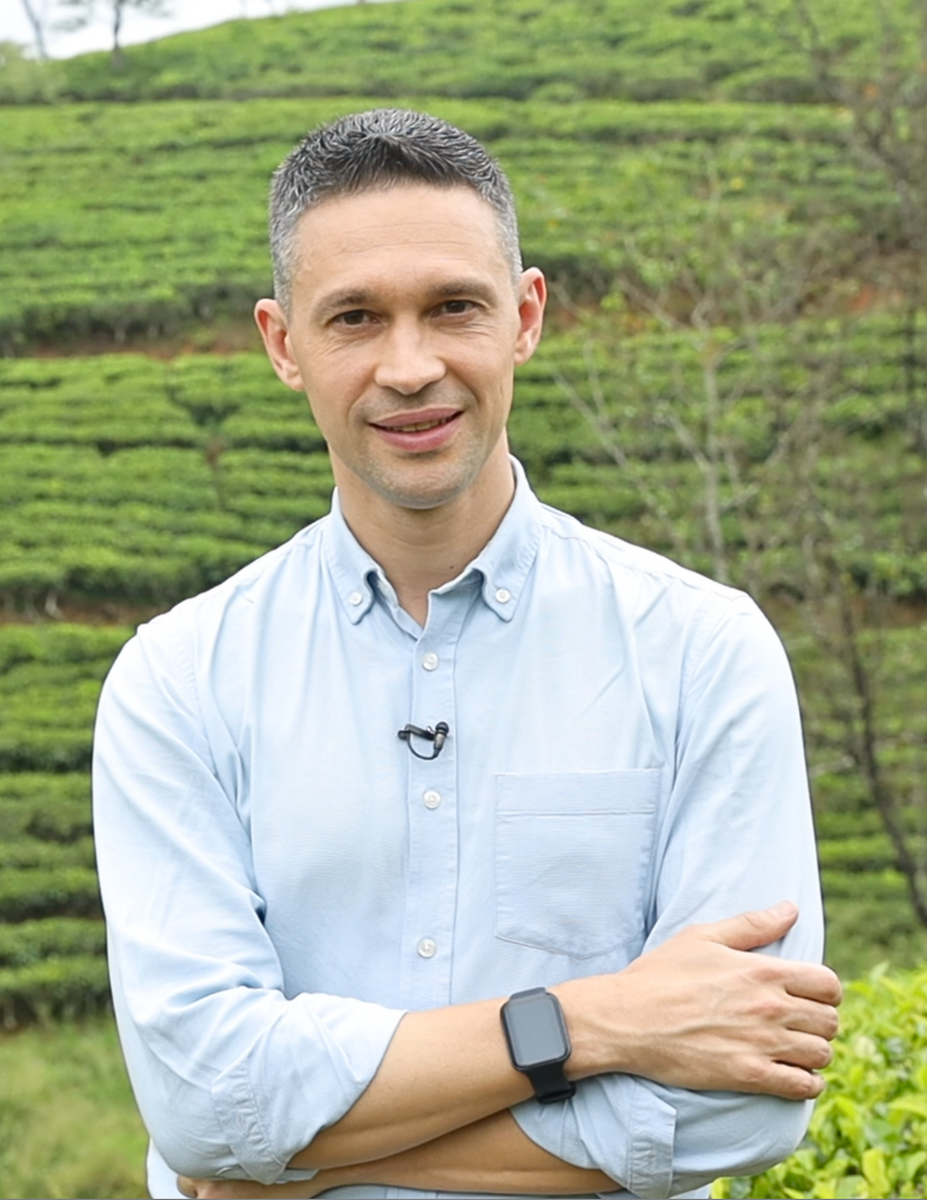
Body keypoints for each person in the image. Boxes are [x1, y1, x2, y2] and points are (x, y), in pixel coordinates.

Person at [93, 108, 842, 1200]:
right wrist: (592, 1022)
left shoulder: (702, 653)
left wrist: (298, 1167)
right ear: (283, 344)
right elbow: (205, 1101)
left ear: (524, 316)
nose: (410, 367)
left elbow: (743, 1105)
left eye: (453, 307)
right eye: (355, 317)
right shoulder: (177, 681)